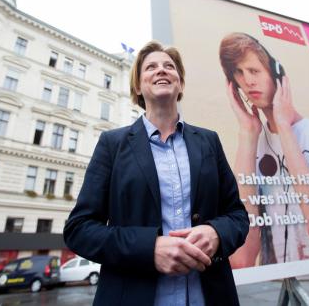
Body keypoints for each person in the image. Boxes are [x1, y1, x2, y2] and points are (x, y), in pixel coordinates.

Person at [64, 40, 249, 306]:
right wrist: (148, 249)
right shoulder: (112, 144)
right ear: (138, 86)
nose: (161, 70)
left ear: (180, 83)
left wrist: (216, 233)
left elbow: (238, 216)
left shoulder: (208, 142)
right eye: (150, 67)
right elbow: (79, 230)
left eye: (169, 66)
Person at [219, 33, 309, 268]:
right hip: (282, 292)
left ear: (276, 74)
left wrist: (284, 126)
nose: (247, 81)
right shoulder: (251, 150)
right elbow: (241, 259)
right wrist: (247, 134)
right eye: (239, 73)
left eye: (254, 71)